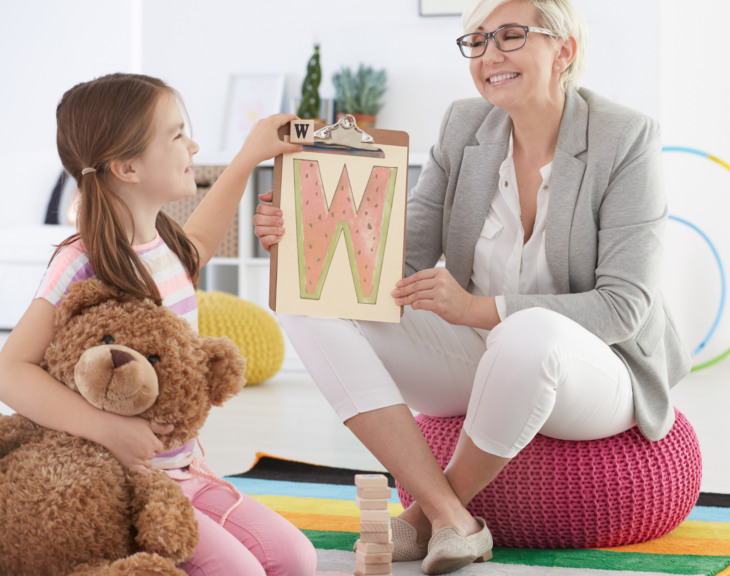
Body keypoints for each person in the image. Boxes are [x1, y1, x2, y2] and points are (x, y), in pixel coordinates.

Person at [255, 0, 690, 573]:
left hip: (598, 371)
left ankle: (418, 516)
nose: (490, 55)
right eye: (477, 41)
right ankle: (450, 515)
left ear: (564, 50)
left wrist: (478, 308)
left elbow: (624, 307)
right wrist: (305, 235)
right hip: (484, 358)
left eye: (510, 36)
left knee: (526, 330)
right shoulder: (465, 125)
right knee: (310, 304)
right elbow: (396, 260)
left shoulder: (624, 137)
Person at [0, 73, 317, 576]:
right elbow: (11, 370)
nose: (191, 144)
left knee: (297, 559)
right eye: (176, 135)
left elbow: (200, 244)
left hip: (185, 469)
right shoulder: (81, 260)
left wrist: (250, 154)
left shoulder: (164, 244)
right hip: (125, 482)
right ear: (126, 166)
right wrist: (108, 430)